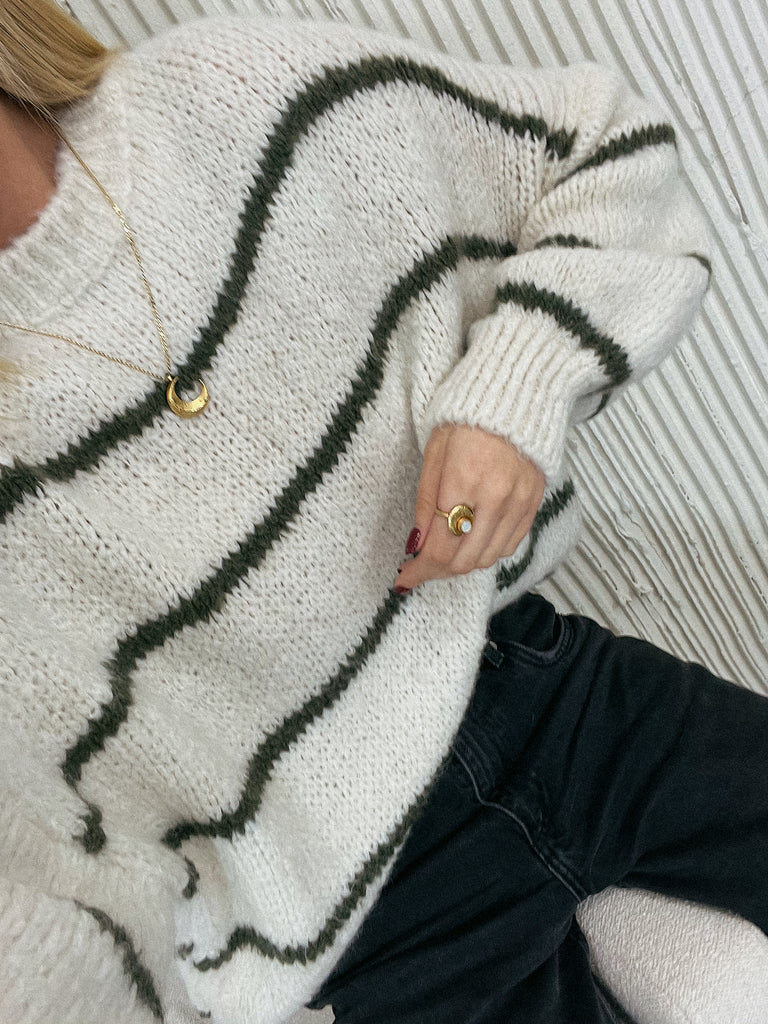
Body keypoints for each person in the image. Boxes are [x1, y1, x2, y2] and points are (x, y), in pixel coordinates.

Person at [0, 1, 765, 1022]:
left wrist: (514, 392)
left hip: (546, 691)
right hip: (352, 914)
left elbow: (605, 154)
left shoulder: (230, 97)